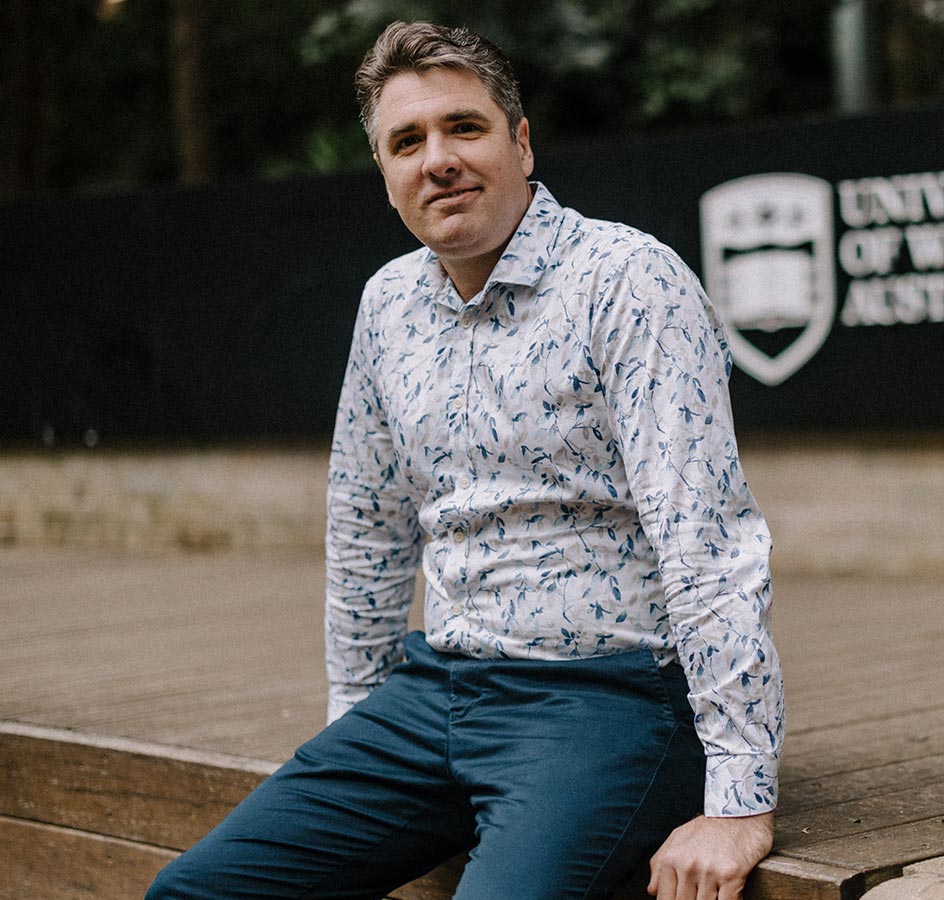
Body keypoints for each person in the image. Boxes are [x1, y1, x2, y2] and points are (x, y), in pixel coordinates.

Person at [147, 20, 782, 900]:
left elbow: (705, 538)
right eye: (407, 142)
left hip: (604, 699)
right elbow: (366, 526)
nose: (436, 159)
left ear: (521, 142)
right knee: (190, 896)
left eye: (465, 128)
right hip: (431, 693)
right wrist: (357, 723)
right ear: (386, 176)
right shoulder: (388, 304)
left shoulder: (628, 278)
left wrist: (741, 795)